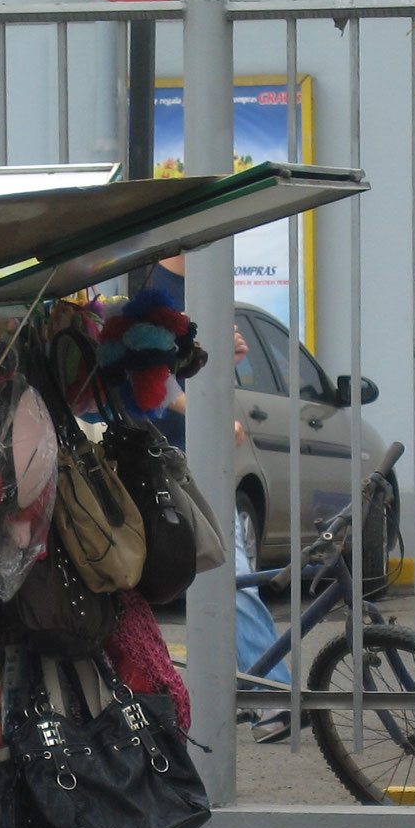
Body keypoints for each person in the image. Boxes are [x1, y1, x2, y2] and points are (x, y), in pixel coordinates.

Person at [139, 256, 291, 740]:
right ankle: (269, 697)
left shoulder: (208, 288)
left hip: (199, 461)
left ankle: (247, 696)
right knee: (230, 574)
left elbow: (190, 372)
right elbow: (152, 382)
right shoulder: (157, 293)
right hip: (169, 461)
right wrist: (208, 413)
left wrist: (227, 360)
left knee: (222, 575)